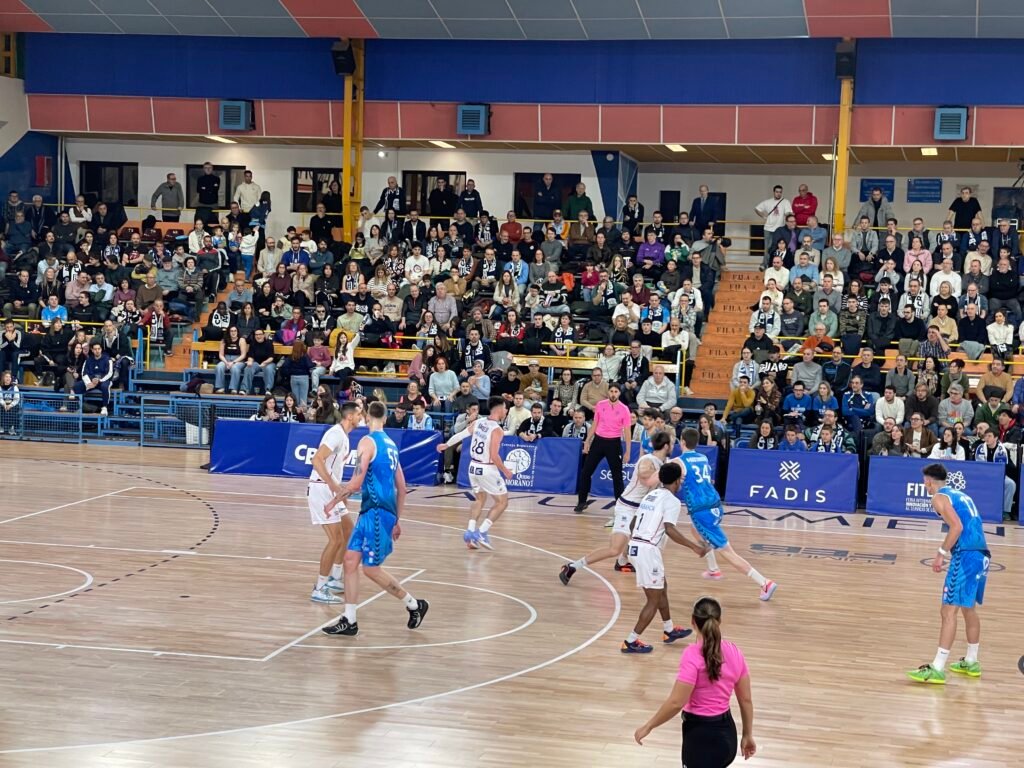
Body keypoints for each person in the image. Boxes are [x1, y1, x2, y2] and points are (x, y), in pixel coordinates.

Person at [322, 401, 428, 637]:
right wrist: (397, 520)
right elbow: (402, 488)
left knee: (370, 569)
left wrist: (333, 501)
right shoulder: (391, 445)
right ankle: (349, 619)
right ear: (386, 418)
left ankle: (414, 604)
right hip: (373, 512)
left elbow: (356, 482)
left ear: (368, 417)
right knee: (350, 561)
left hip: (377, 512)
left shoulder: (366, 442)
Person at [634, 595, 756, 766]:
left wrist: (649, 726)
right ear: (719, 621)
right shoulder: (734, 651)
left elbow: (676, 702)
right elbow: (746, 699)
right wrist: (747, 735)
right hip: (727, 738)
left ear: (693, 621)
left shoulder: (692, 655)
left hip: (699, 739)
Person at [907, 463, 990, 684]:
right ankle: (971, 661)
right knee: (968, 609)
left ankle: (937, 668)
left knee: (948, 611)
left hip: (965, 556)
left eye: (924, 481)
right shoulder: (961, 494)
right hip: (981, 554)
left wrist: (941, 553)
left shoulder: (939, 498)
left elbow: (957, 527)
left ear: (928, 481)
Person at [561, 431, 676, 586]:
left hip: (642, 509)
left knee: (641, 539)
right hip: (627, 507)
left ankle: (622, 562)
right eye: (672, 443)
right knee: (615, 549)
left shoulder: (666, 462)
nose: (674, 446)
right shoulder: (648, 460)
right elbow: (645, 477)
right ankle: (572, 566)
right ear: (666, 446)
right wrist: (664, 472)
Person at [679, 428, 778, 600]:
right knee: (695, 530)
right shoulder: (702, 458)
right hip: (715, 504)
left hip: (703, 511)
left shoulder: (679, 462)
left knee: (727, 552)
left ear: (682, 441)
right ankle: (713, 568)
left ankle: (764, 582)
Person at [619, 461, 706, 654]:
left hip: (636, 546)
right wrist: (694, 547)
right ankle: (630, 641)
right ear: (677, 481)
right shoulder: (672, 501)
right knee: (653, 599)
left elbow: (633, 524)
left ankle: (669, 630)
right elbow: (670, 529)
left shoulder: (651, 495)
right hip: (647, 551)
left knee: (661, 588)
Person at [437, 397, 513, 550]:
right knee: (502, 502)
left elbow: (461, 435)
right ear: (499, 409)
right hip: (487, 468)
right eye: (505, 408)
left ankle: (470, 532)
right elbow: (494, 455)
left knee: (480, 499)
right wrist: (505, 471)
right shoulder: (497, 430)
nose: (506, 411)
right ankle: (482, 532)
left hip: (473, 467)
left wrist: (446, 444)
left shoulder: (478, 422)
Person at [306, 401, 362, 604]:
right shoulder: (335, 434)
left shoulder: (344, 436)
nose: (361, 417)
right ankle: (319, 588)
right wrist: (333, 485)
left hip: (332, 491)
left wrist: (340, 493)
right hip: (321, 489)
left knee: (349, 532)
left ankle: (335, 578)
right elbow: (317, 459)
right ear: (350, 416)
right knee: (336, 539)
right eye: (359, 414)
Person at [575, 382, 632, 513]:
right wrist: (587, 441)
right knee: (586, 472)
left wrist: (628, 451)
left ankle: (620, 505)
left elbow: (627, 431)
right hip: (599, 441)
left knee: (617, 476)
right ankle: (582, 501)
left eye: (616, 392)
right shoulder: (600, 405)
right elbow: (595, 424)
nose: (613, 394)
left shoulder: (624, 409)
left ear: (619, 393)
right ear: (608, 392)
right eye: (611, 391)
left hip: (614, 443)